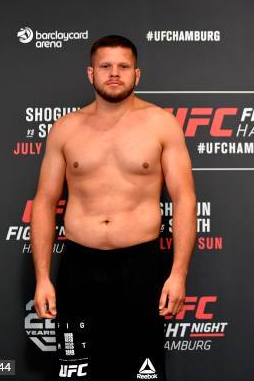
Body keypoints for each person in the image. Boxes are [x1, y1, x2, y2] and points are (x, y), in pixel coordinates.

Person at [31, 35, 196, 380]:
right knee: (76, 373)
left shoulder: (161, 125)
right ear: (90, 73)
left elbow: (184, 200)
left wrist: (178, 274)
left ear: (138, 74)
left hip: (141, 266)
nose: (114, 73)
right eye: (105, 66)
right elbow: (45, 204)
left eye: (123, 67)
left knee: (141, 374)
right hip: (80, 266)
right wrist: (43, 278)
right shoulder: (65, 129)